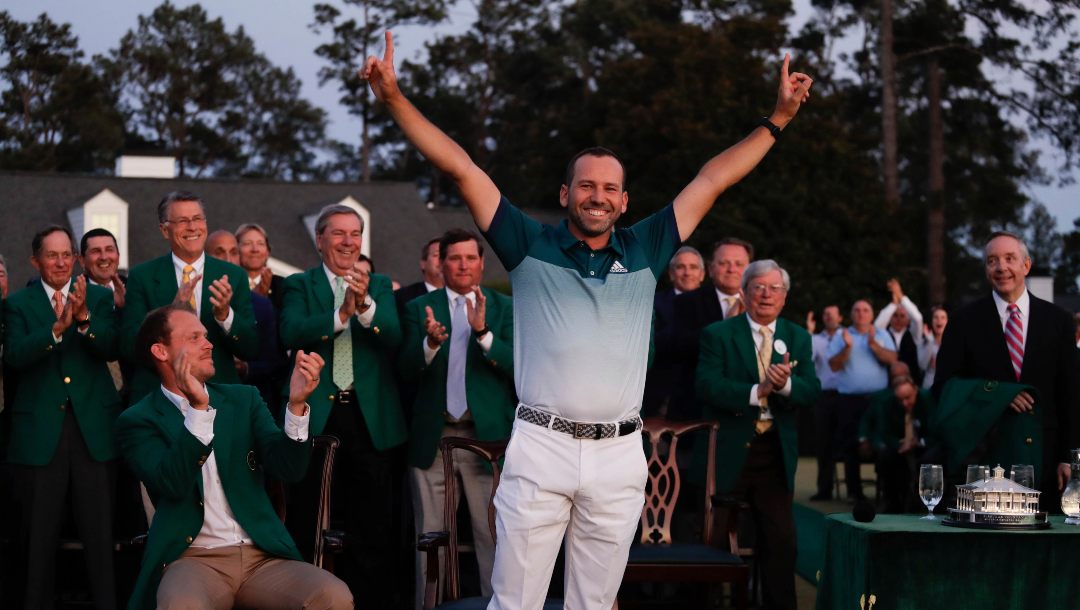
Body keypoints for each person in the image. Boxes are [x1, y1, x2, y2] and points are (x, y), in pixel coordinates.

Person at [363, 31, 812, 610]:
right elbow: (461, 168)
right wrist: (395, 99)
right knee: (515, 603)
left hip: (618, 454)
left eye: (609, 189)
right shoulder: (527, 244)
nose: (597, 196)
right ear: (565, 193)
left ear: (624, 201)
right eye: (586, 186)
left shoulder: (648, 246)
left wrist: (778, 119)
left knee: (594, 606)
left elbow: (713, 179)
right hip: (540, 447)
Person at [115, 304, 351, 610]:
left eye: (206, 335)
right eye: (194, 337)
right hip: (191, 559)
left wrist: (295, 405)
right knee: (181, 606)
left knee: (334, 596)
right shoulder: (138, 420)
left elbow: (289, 468)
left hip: (261, 556)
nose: (209, 344)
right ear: (161, 351)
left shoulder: (243, 399)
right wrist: (198, 410)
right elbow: (171, 482)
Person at [278, 203, 406, 606]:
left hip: (370, 420)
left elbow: (394, 337)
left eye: (355, 234)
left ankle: (367, 603)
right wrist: (340, 314)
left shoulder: (379, 285)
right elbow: (291, 332)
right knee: (309, 518)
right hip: (319, 417)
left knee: (373, 525)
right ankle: (312, 600)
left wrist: (364, 306)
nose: (348, 242)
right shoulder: (299, 284)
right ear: (319, 240)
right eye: (338, 233)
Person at [5, 225, 121, 610]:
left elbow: (112, 347)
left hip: (93, 433)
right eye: (52, 255)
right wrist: (54, 332)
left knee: (100, 539)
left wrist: (84, 318)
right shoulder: (18, 304)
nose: (60, 262)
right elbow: (14, 356)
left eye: (66, 254)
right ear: (35, 260)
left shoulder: (100, 298)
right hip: (40, 435)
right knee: (36, 541)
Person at [399, 229, 515, 609]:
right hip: (433, 440)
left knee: (491, 537)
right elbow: (403, 369)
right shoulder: (420, 308)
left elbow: (519, 368)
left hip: (487, 443)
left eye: (470, 258)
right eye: (454, 258)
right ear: (441, 263)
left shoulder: (504, 307)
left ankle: (494, 607)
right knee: (430, 539)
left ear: (481, 263)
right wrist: (430, 344)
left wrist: (483, 332)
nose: (463, 265)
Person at [695, 259, 820, 610]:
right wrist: (757, 391)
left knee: (782, 543)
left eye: (774, 288)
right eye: (759, 287)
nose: (767, 294)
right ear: (745, 293)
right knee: (713, 540)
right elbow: (706, 385)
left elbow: (812, 390)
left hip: (774, 454)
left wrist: (785, 386)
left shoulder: (798, 336)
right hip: (728, 451)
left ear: (785, 296)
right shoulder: (718, 334)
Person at [933, 231, 1077, 505]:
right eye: (992, 261)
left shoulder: (1058, 321)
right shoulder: (963, 321)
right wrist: (998, 393)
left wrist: (1069, 457)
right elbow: (943, 389)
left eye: (1010, 258)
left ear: (1026, 265)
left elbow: (1071, 393)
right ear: (986, 270)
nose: (1001, 267)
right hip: (985, 460)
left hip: (1046, 461)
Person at [122, 192, 258, 404]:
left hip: (219, 398)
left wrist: (225, 316)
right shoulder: (142, 276)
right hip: (159, 398)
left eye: (197, 219)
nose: (192, 227)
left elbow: (250, 347)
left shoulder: (234, 275)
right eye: (183, 221)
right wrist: (172, 312)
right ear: (164, 230)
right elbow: (129, 347)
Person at [670, 238, 754, 421]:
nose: (732, 269)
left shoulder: (763, 301)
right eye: (724, 263)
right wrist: (726, 325)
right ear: (710, 269)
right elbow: (680, 347)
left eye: (739, 264)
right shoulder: (686, 302)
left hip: (749, 408)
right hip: (698, 409)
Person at [207, 230, 286, 410]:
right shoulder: (193, 298)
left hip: (253, 398)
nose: (228, 260)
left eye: (233, 253)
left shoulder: (261, 304)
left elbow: (274, 359)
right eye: (219, 253)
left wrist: (245, 368)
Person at [826, 300, 897, 502]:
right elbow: (833, 365)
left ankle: (887, 492)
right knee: (850, 445)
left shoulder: (881, 334)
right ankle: (854, 492)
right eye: (856, 310)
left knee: (882, 443)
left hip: (878, 400)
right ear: (851, 315)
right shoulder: (842, 336)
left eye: (865, 310)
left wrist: (873, 344)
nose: (861, 313)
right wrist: (848, 347)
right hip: (849, 400)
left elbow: (893, 360)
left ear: (872, 315)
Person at [857, 363, 931, 513]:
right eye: (901, 400)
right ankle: (892, 502)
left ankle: (923, 502)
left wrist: (918, 442)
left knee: (930, 457)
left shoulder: (927, 400)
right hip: (900, 445)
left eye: (908, 398)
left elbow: (936, 431)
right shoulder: (889, 401)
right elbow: (885, 432)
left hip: (924, 445)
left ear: (914, 389)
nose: (905, 403)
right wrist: (900, 444)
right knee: (888, 456)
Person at [643, 246, 705, 416]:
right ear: (671, 274)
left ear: (702, 274)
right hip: (660, 392)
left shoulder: (714, 303)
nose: (687, 273)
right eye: (680, 267)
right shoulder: (653, 302)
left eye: (693, 267)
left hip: (702, 393)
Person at [808, 304, 843, 501]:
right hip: (823, 396)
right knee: (823, 443)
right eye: (826, 314)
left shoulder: (847, 337)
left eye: (832, 314)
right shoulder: (815, 340)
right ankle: (824, 489)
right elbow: (807, 360)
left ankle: (854, 490)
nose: (828, 317)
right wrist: (808, 334)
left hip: (845, 395)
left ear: (840, 318)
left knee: (848, 442)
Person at [873, 278, 924, 386]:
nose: (899, 319)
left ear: (908, 319)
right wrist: (894, 304)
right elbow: (876, 326)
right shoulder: (883, 334)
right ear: (890, 318)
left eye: (902, 316)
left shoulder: (914, 335)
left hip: (911, 382)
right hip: (888, 383)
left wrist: (900, 296)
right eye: (895, 316)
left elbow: (918, 319)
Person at [236, 222, 286, 310]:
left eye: (260, 244)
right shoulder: (228, 285)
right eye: (247, 243)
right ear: (236, 250)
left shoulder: (283, 286)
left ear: (267, 252)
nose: (255, 249)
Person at [395, 237, 444, 319]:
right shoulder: (401, 298)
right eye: (436, 255)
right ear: (423, 264)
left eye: (447, 256)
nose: (442, 260)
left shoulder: (463, 298)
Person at [919, 305, 947, 390]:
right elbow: (922, 366)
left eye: (943, 317)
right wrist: (930, 342)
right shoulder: (924, 341)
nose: (939, 320)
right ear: (931, 321)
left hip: (947, 388)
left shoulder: (954, 342)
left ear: (947, 321)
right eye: (936, 317)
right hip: (929, 387)